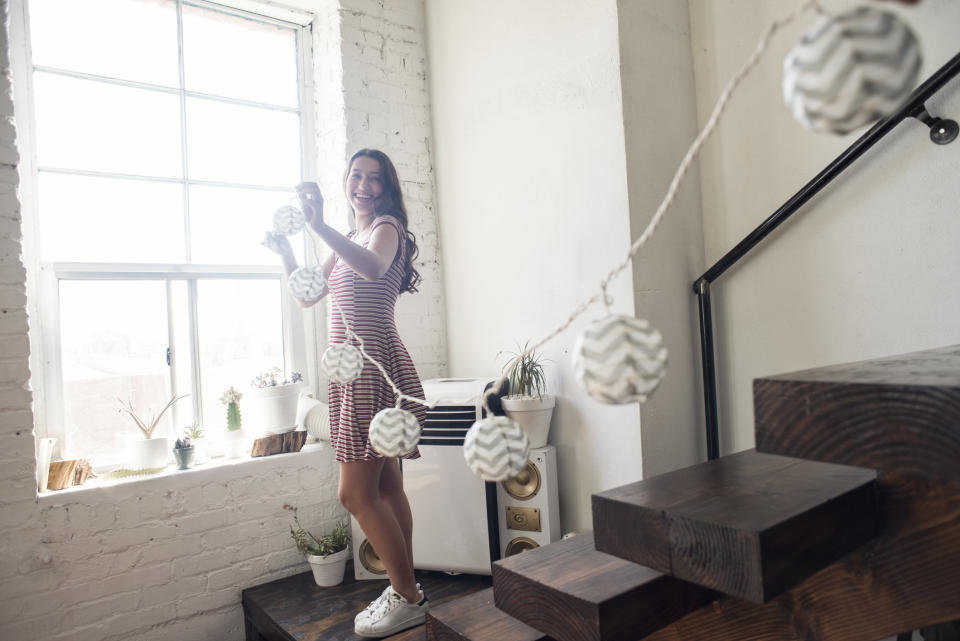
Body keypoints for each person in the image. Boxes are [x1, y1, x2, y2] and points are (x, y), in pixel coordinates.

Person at [265, 149, 428, 638]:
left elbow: (374, 270)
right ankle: (409, 590)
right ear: (345, 180)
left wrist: (317, 226)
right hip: (352, 371)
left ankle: (406, 595)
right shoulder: (350, 236)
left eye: (374, 178)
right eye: (356, 175)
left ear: (387, 187)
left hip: (370, 367)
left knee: (354, 494)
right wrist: (288, 252)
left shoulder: (386, 228)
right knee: (384, 489)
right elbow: (309, 293)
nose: (363, 184)